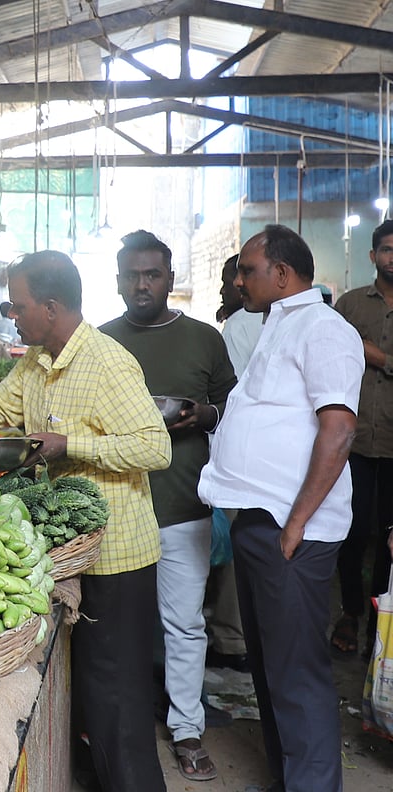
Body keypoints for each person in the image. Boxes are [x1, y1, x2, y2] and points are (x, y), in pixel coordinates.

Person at [0, 250, 171, 791]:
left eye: (17, 305)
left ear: (50, 307)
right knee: (95, 694)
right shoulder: (37, 360)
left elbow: (154, 446)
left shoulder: (107, 362)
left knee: (118, 698)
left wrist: (72, 444)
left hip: (118, 555)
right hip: (75, 549)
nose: (11, 314)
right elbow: (0, 408)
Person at [198, 224, 363, 792]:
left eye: (248, 270)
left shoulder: (324, 329)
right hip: (262, 521)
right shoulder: (276, 324)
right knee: (271, 668)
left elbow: (338, 432)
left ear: (283, 274)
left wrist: (295, 525)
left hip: (294, 529)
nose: (239, 279)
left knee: (296, 672)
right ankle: (292, 777)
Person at [100, 230, 236, 783]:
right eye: (132, 274)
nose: (141, 284)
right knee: (118, 629)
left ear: (170, 281)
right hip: (116, 509)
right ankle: (119, 730)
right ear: (117, 281)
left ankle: (186, 729)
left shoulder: (204, 339)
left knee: (183, 626)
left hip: (182, 507)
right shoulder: (99, 342)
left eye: (152, 274)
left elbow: (231, 405)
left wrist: (205, 417)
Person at [329, 219, 393, 658]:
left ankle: (381, 617)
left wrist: (378, 355)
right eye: (386, 249)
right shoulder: (350, 306)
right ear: (372, 256)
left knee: (389, 536)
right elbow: (327, 350)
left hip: (392, 445)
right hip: (349, 442)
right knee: (349, 531)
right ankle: (351, 612)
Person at [204, 254, 255, 674]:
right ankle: (238, 635)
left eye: (232, 279)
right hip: (265, 460)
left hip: (242, 455)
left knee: (234, 546)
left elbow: (230, 400)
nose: (227, 288)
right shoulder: (257, 323)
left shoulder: (238, 326)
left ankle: (230, 637)